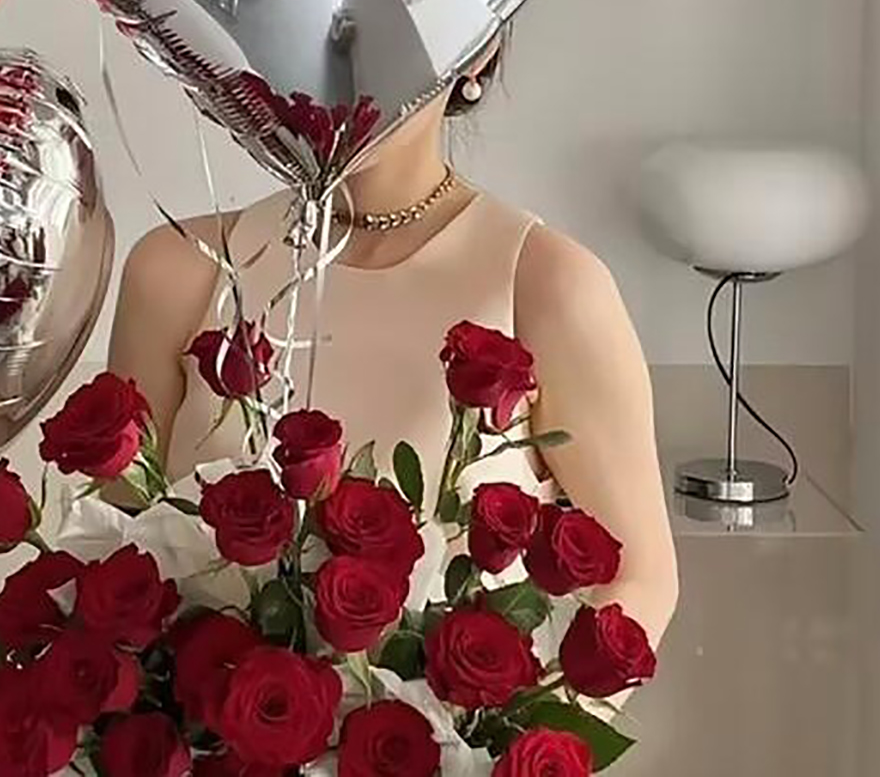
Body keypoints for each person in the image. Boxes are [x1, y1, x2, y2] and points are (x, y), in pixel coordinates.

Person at [107, 45, 681, 649]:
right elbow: (117, 551)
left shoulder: (548, 285)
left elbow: (641, 581)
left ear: (478, 50)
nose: (344, 56)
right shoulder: (180, 271)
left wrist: (502, 716)